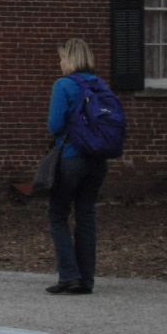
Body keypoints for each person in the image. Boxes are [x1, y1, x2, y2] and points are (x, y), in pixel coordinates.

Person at [44, 38, 111, 295]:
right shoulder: (100, 85)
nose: (59, 64)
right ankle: (86, 280)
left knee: (58, 215)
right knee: (86, 216)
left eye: (61, 58)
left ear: (71, 59)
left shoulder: (64, 85)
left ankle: (69, 275)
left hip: (71, 156)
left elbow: (55, 125)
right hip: (98, 159)